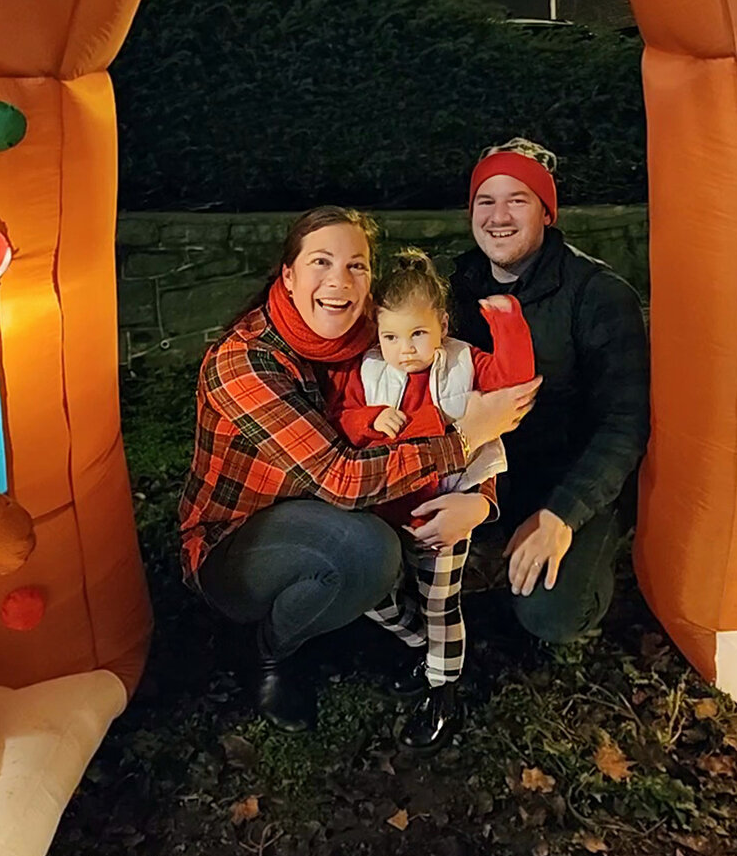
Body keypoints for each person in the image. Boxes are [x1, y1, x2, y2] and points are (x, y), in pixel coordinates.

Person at [178, 207, 542, 732]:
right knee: (366, 551)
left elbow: (472, 394)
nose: (339, 281)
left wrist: (480, 496)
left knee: (374, 557)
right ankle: (267, 650)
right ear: (288, 275)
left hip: (333, 511)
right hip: (237, 540)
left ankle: (378, 629)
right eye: (321, 262)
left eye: (357, 266)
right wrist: (462, 437)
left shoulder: (380, 335)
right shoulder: (245, 362)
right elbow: (343, 479)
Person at [322, 248, 534, 751]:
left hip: (445, 507)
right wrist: (368, 420)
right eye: (391, 336)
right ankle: (426, 648)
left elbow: (513, 382)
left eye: (418, 334)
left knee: (441, 604)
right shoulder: (369, 369)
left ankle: (443, 690)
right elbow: (341, 413)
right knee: (376, 594)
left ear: (440, 324)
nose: (405, 349)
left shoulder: (464, 361)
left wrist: (508, 326)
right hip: (384, 507)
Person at [450, 139, 650, 644]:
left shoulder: (598, 295)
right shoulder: (455, 287)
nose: (499, 216)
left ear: (546, 211)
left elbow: (625, 423)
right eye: (485, 201)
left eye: (517, 199)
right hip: (487, 470)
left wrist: (564, 513)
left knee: (552, 612)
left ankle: (588, 568)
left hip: (570, 475)